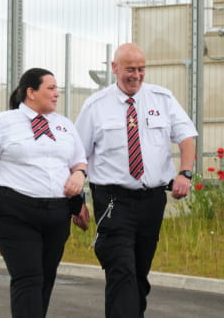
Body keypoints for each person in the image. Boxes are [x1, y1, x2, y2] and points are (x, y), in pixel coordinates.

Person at [0, 67, 91, 318]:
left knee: (45, 280)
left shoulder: (64, 125)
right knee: (28, 278)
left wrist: (78, 179)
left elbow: (78, 161)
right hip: (17, 213)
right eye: (51, 88)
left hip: (57, 214)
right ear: (31, 92)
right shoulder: (3, 123)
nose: (57, 94)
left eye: (57, 89)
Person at [75, 43, 197, 318]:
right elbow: (77, 156)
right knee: (121, 271)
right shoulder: (96, 106)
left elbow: (186, 136)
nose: (137, 75)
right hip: (113, 201)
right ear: (115, 68)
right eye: (130, 69)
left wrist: (185, 172)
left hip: (151, 201)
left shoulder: (162, 99)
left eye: (141, 69)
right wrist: (76, 200)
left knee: (139, 274)